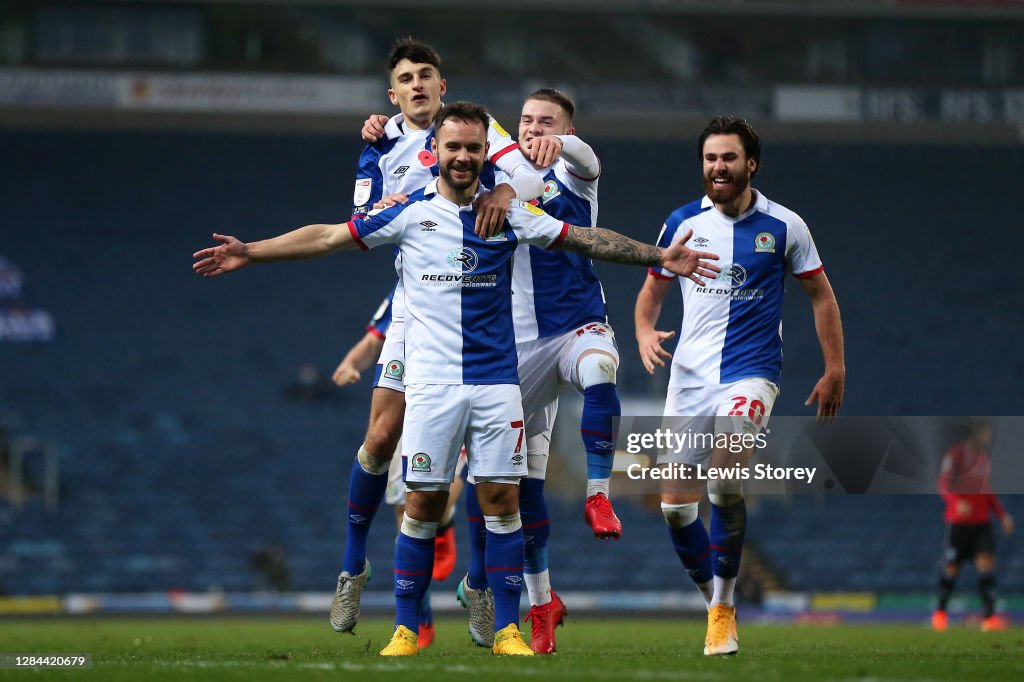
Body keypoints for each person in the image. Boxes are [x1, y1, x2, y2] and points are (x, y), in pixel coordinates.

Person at [193, 101, 720, 656]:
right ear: (436, 152)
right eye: (454, 148)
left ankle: (507, 630)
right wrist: (251, 251)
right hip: (433, 386)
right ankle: (404, 629)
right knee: (421, 503)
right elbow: (327, 237)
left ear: (484, 153)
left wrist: (662, 256)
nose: (464, 157)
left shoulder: (508, 215)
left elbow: (584, 238)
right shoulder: (408, 212)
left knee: (502, 502)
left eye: (474, 148)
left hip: (497, 385)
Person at [330, 38, 545, 637]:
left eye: (428, 74)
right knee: (379, 439)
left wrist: (504, 190)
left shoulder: (476, 135)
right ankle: (352, 568)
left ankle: (478, 584)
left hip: (482, 310)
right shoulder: (378, 144)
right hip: (415, 311)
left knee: (487, 464)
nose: (419, 83)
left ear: (442, 86)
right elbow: (365, 216)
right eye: (407, 77)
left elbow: (529, 179)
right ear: (392, 93)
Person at [634, 115, 844, 656]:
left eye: (728, 158)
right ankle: (716, 605)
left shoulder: (785, 226)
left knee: (726, 478)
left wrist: (834, 367)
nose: (718, 168)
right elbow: (652, 290)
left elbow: (820, 295)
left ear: (751, 163)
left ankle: (725, 607)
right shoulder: (681, 223)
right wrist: (641, 330)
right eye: (710, 158)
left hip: (751, 372)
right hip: (689, 378)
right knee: (676, 507)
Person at [450, 88, 620, 653]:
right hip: (515, 350)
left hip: (574, 328)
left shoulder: (578, 176)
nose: (534, 128)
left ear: (567, 127)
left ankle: (599, 493)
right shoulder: (500, 165)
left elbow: (589, 160)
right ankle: (538, 599)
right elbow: (454, 139)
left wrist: (562, 143)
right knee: (514, 485)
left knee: (601, 367)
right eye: (526, 120)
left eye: (547, 121)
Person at [331, 284, 465, 649]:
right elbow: (376, 336)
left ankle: (446, 518)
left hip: (452, 388)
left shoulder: (469, 274)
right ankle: (420, 620)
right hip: (405, 402)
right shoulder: (406, 287)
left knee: (440, 493)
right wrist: (350, 363)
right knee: (404, 513)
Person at [932, 420, 1014, 632]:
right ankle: (940, 613)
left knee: (987, 566)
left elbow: (987, 492)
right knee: (952, 569)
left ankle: (989, 618)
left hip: (981, 523)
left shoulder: (984, 459)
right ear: (976, 432)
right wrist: (956, 501)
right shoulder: (956, 454)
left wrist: (1002, 515)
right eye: (985, 432)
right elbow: (943, 483)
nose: (988, 436)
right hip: (959, 523)